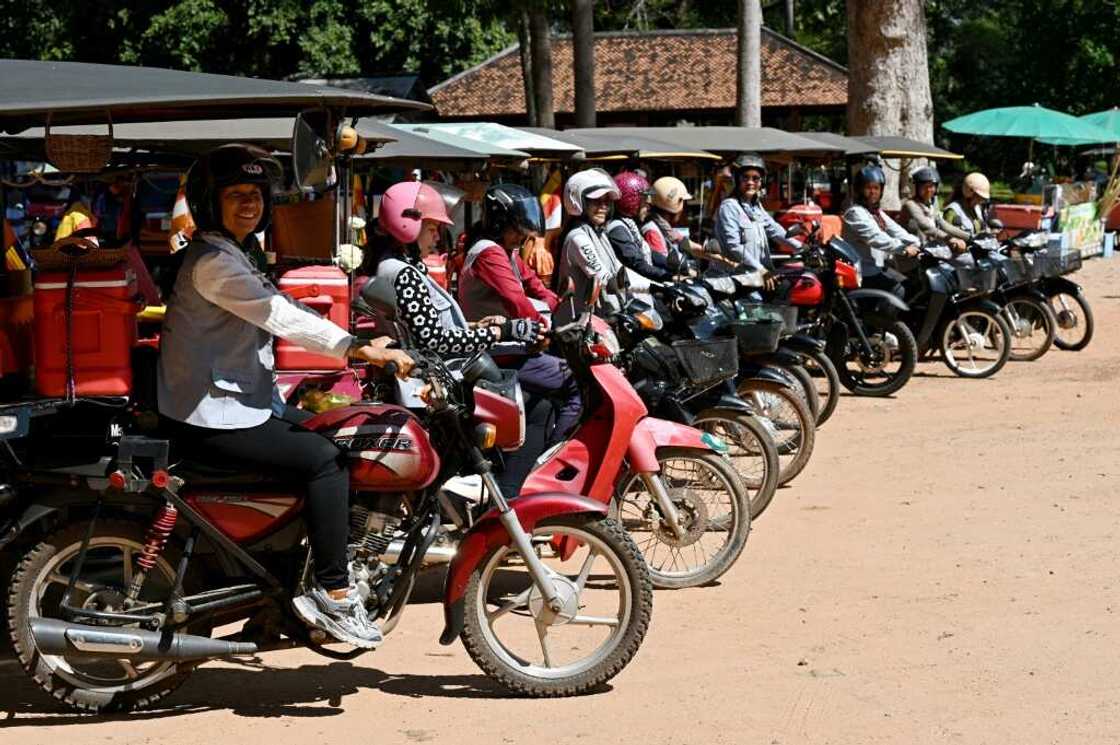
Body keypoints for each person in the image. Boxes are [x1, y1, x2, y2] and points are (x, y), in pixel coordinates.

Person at [157, 144, 414, 650]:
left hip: (238, 404)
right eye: (236, 195)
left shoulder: (233, 252)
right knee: (326, 463)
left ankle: (275, 597)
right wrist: (354, 347)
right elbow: (278, 315)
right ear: (212, 201)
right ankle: (335, 591)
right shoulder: (213, 263)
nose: (249, 204)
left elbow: (288, 304)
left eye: (255, 195)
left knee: (329, 432)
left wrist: (366, 330)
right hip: (212, 417)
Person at [364, 181, 545, 495]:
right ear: (408, 224)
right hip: (437, 385)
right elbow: (435, 341)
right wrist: (500, 331)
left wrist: (476, 326)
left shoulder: (399, 268)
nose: (437, 236)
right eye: (432, 228)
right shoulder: (403, 274)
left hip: (435, 381)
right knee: (531, 409)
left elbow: (431, 329)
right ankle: (510, 493)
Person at [458, 183, 580, 442]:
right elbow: (516, 300)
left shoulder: (507, 251)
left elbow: (533, 283)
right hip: (496, 351)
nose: (522, 238)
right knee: (577, 383)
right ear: (500, 223)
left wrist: (563, 309)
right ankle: (558, 458)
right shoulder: (489, 253)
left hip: (512, 344)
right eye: (517, 230)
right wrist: (543, 330)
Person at [711, 153, 801, 282]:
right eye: (745, 177)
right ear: (737, 179)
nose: (750, 182)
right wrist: (760, 269)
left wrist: (802, 247)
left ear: (761, 182)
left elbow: (775, 230)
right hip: (736, 279)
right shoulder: (729, 206)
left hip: (755, 276)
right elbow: (734, 246)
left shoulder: (755, 206)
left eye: (755, 178)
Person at [554, 168, 628, 314]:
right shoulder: (578, 238)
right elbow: (605, 278)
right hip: (577, 327)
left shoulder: (598, 233)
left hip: (600, 319)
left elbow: (620, 271)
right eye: (596, 201)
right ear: (578, 201)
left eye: (607, 201)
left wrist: (659, 284)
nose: (603, 207)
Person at [840, 163, 919, 296]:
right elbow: (876, 237)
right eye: (868, 188)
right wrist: (903, 249)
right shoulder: (855, 213)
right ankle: (883, 317)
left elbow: (896, 230)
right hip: (863, 273)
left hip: (877, 268)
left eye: (876, 188)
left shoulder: (875, 212)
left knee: (909, 285)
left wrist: (917, 243)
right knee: (899, 291)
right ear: (859, 190)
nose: (873, 192)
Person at [608, 171, 689, 282]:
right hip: (636, 291)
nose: (648, 205)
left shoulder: (630, 224)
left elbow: (649, 253)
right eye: (644, 201)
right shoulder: (617, 228)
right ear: (631, 202)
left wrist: (675, 266)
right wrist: (669, 277)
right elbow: (637, 263)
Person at [900, 167, 968, 254]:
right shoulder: (910, 205)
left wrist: (969, 237)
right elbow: (926, 227)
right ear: (915, 187)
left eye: (931, 186)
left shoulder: (929, 205)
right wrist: (950, 239)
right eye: (924, 186)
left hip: (928, 252)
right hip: (910, 256)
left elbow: (944, 225)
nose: (929, 190)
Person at [943, 172, 997, 239]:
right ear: (969, 193)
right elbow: (947, 236)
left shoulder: (977, 209)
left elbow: (980, 229)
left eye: (982, 198)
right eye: (978, 197)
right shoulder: (953, 211)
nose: (980, 201)